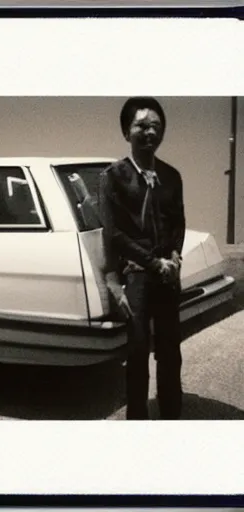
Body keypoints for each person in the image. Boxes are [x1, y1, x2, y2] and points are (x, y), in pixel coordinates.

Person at [98, 97, 186, 420]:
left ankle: (172, 417)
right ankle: (138, 420)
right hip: (136, 274)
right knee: (137, 354)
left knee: (170, 352)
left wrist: (174, 256)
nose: (150, 132)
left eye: (156, 126)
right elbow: (114, 234)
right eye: (141, 126)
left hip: (167, 276)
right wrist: (152, 263)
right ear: (126, 131)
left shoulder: (172, 176)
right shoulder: (112, 176)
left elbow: (178, 222)